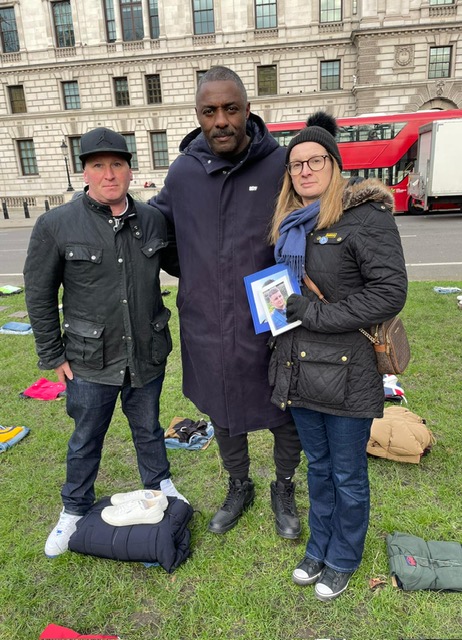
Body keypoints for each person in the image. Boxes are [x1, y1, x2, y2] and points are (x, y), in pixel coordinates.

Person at [148, 66, 302, 538]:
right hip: (209, 322)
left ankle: (284, 486)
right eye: (210, 111)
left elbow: (320, 219)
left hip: (273, 318)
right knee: (222, 409)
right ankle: (239, 484)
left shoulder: (281, 166)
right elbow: (158, 229)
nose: (221, 120)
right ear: (197, 115)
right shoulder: (183, 172)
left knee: (285, 408)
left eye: (230, 109)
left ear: (248, 111)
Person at [24, 127, 185, 558]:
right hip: (88, 359)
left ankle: (159, 486)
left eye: (117, 164)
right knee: (85, 438)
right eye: (99, 165)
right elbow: (39, 294)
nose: (109, 174)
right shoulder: (56, 224)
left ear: (130, 170)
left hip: (145, 353)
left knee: (149, 429)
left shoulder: (152, 220)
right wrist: (52, 353)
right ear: (85, 171)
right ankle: (74, 509)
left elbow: (186, 264)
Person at [268, 111, 408, 601]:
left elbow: (390, 292)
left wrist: (314, 313)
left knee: (348, 472)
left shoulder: (365, 219)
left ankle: (343, 557)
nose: (305, 171)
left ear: (335, 166)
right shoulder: (291, 224)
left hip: (347, 370)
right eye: (296, 164)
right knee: (319, 466)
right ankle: (318, 546)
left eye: (315, 161)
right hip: (300, 367)